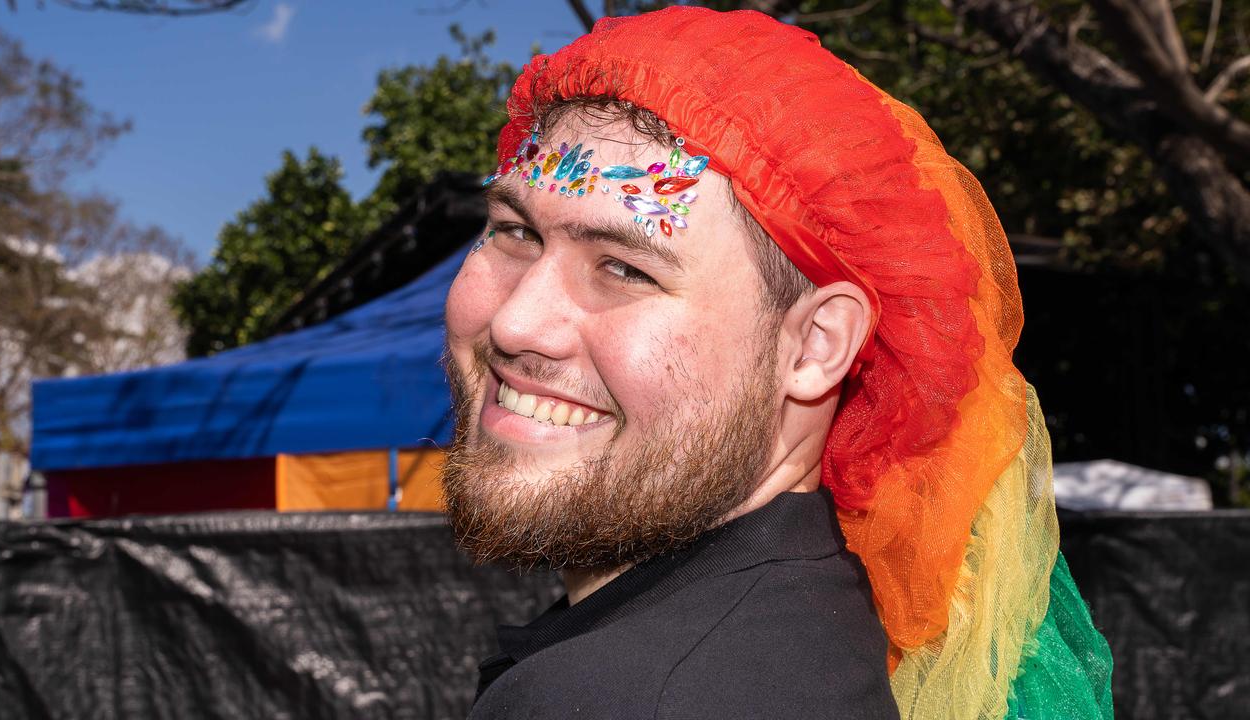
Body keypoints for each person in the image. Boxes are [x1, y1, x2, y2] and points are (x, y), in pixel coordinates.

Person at [439, 7, 1114, 719]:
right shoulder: (821, 633)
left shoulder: (623, 697)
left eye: (625, 269)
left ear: (817, 344)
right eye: (513, 232)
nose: (516, 323)